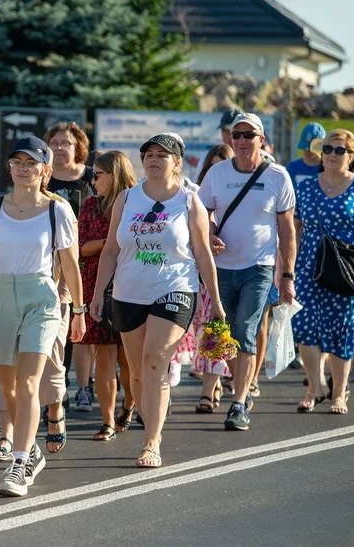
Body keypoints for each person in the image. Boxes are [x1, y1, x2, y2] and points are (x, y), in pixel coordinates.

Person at [0, 136, 85, 497]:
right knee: (9, 384)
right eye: (17, 161)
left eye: (31, 163)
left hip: (41, 299)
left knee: (30, 382)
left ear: (45, 169)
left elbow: (70, 264)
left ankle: (18, 463)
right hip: (0, 295)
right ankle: (29, 448)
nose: (23, 168)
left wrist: (78, 310)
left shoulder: (57, 210)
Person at [90, 133, 223, 468]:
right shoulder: (127, 199)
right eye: (148, 153)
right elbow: (110, 250)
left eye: (162, 154)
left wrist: (217, 303)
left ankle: (151, 443)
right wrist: (95, 295)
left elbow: (203, 254)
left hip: (175, 288)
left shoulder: (189, 200)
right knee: (136, 373)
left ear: (177, 162)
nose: (153, 159)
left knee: (154, 362)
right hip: (129, 291)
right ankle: (152, 426)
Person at [198, 113, 297, 432]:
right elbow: (202, 216)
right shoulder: (217, 173)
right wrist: (210, 233)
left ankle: (239, 401)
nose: (241, 140)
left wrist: (287, 276)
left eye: (248, 135)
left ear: (261, 139)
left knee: (245, 332)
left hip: (259, 267)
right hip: (220, 269)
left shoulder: (278, 176)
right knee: (219, 333)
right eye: (237, 135)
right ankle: (222, 387)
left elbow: (287, 229)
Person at [293, 129, 354, 414]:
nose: (332, 155)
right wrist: (286, 267)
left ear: (351, 156)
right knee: (304, 326)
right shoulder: (306, 187)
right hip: (309, 266)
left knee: (341, 330)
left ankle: (338, 394)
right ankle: (316, 386)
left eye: (340, 150)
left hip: (348, 269)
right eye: (328, 149)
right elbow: (296, 229)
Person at [79, 151, 136, 441]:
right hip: (95, 282)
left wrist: (107, 244)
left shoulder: (137, 202)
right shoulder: (90, 205)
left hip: (130, 284)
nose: (93, 179)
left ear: (114, 175)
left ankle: (128, 405)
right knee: (103, 353)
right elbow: (81, 246)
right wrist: (110, 241)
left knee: (128, 359)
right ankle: (107, 421)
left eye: (98, 174)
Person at [44, 121, 95, 410]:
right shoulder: (42, 178)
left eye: (66, 143)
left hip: (87, 263)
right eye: (54, 143)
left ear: (78, 148)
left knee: (82, 330)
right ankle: (57, 391)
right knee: (56, 331)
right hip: (50, 265)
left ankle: (85, 387)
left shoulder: (89, 178)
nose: (60, 148)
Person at [189, 144, 234, 406]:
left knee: (214, 328)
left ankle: (210, 387)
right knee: (196, 329)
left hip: (225, 270)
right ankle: (211, 381)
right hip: (197, 271)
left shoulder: (233, 194)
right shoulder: (193, 195)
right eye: (211, 166)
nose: (216, 171)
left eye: (222, 166)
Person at [191, 108, 242, 183]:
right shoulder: (207, 155)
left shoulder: (248, 157)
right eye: (224, 130)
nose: (227, 136)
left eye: (231, 131)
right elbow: (198, 184)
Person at [286, 122, 325, 190]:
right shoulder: (292, 167)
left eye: (312, 147)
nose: (308, 151)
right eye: (306, 147)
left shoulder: (327, 168)